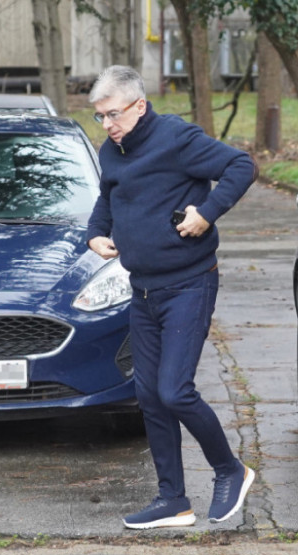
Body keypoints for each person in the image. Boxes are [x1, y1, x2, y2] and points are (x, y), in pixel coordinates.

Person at [86, 65, 258, 529]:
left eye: (114, 114)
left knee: (174, 391)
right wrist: (96, 232)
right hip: (142, 288)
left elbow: (242, 166)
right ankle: (173, 500)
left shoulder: (176, 139)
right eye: (100, 116)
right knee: (148, 394)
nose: (107, 125)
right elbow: (107, 197)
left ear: (140, 105)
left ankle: (231, 470)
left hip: (188, 284)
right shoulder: (111, 151)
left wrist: (208, 212)